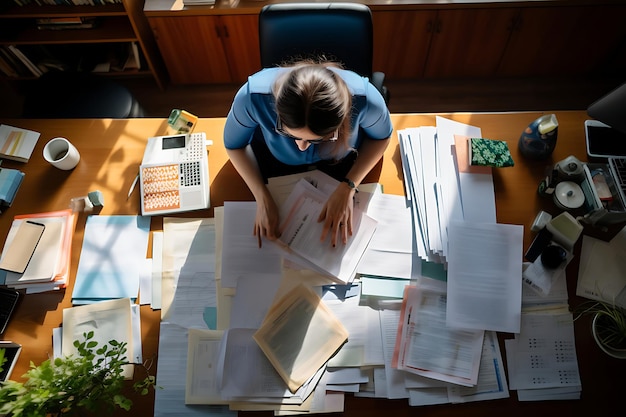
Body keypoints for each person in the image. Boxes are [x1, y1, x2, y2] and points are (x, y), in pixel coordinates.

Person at [224, 60, 393, 248]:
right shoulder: (253, 97)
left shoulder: (365, 98)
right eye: (289, 134)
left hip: (340, 166)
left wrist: (349, 186)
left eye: (316, 139)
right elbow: (234, 146)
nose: (302, 147)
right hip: (275, 168)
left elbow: (382, 137)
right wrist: (261, 197)